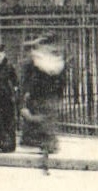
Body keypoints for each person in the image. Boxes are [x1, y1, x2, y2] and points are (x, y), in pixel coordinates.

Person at [19, 37, 65, 172]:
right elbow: (26, 81)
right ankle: (45, 158)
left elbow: (60, 81)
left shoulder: (43, 62)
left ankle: (45, 159)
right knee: (43, 127)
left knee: (44, 127)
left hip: (44, 98)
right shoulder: (48, 62)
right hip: (40, 98)